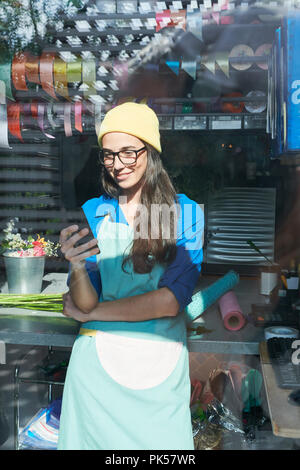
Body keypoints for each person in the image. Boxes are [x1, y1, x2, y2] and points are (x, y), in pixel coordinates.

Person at [57, 102, 204, 450]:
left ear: (150, 151)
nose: (117, 164)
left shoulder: (186, 214)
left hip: (159, 370)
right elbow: (85, 299)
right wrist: (76, 265)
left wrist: (92, 314)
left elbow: (170, 302)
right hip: (95, 376)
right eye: (108, 155)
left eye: (128, 152)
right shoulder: (97, 212)